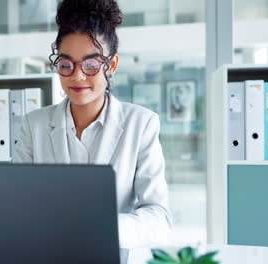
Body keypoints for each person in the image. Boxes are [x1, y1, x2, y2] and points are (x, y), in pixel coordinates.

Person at [12, 0, 172, 249]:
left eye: (91, 64)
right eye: (66, 64)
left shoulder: (141, 124)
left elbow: (158, 216)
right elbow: (16, 202)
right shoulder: (35, 125)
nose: (77, 76)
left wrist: (100, 227)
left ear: (111, 65)